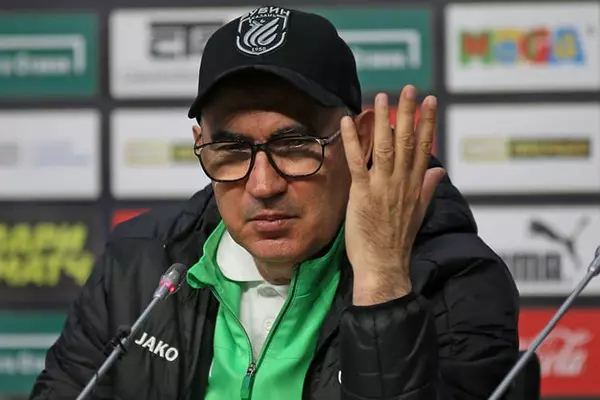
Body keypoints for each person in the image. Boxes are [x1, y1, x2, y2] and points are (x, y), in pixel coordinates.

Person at [29, 6, 519, 400]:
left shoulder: (456, 283)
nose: (263, 185)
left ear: (363, 139)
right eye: (231, 149)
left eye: (295, 145)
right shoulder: (135, 264)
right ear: (201, 144)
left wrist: (383, 286)